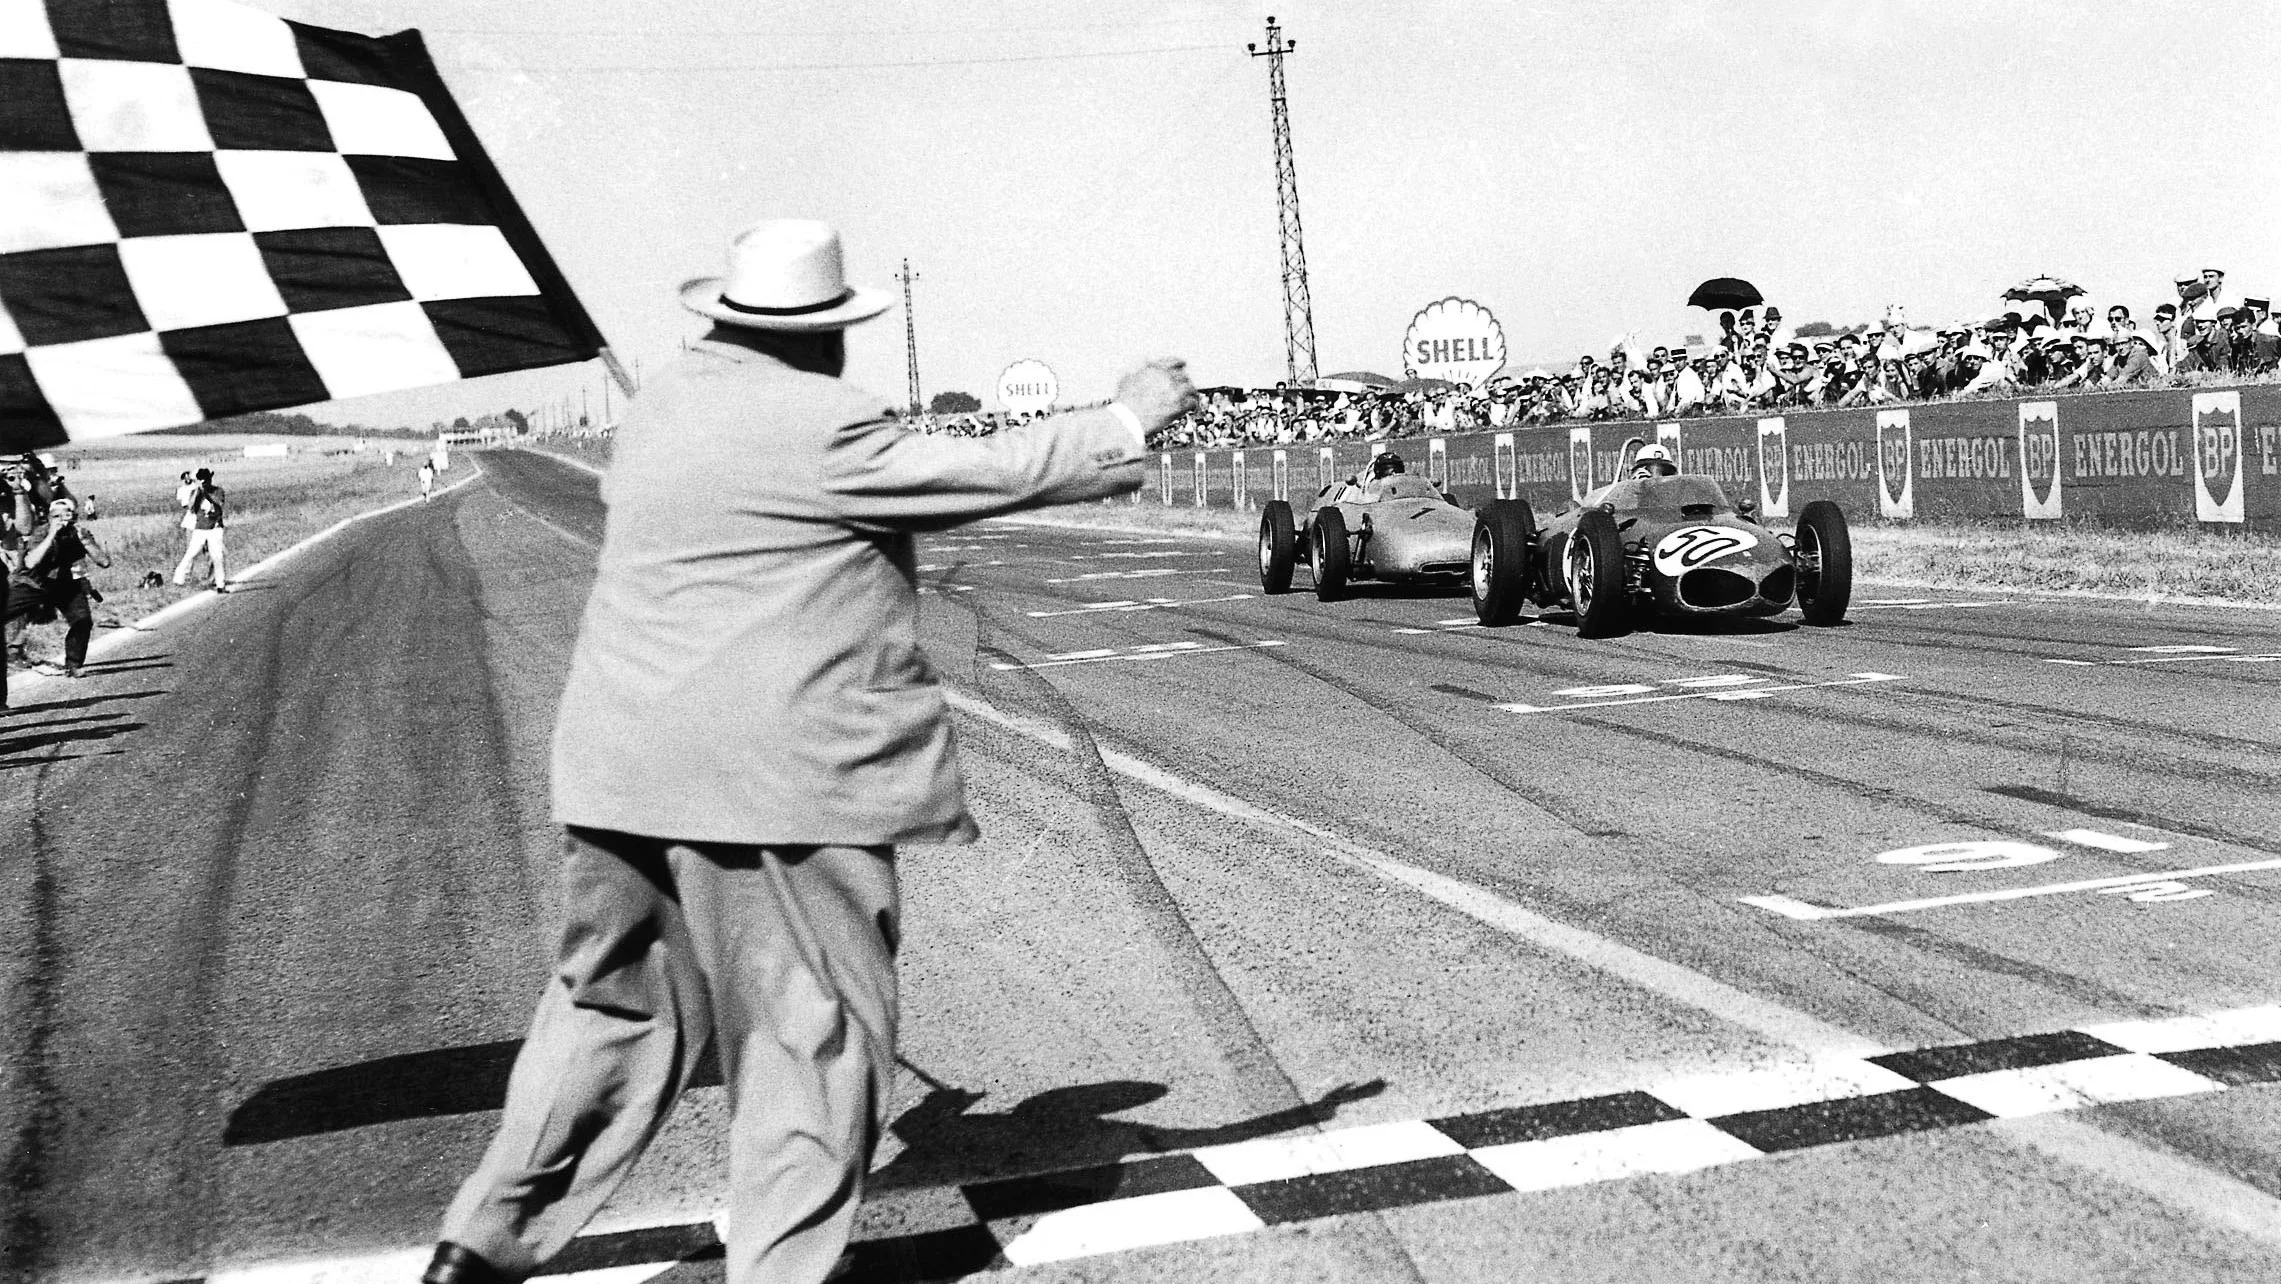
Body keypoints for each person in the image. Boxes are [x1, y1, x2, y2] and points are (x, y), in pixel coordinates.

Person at [422, 219, 1195, 1284]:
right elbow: (984, 470)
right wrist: (1124, 417)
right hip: (774, 786)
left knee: (606, 1013)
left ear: (727, 317)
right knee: (810, 1038)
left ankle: (481, 1241)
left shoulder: (659, 413)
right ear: (822, 334)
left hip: (615, 772)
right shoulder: (820, 424)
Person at [5, 496, 110, 680]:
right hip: (34, 584)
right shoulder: (41, 533)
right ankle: (12, 653)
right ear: (49, 518)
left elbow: (104, 562)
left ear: (73, 516)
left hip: (65, 585)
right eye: (56, 516)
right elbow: (30, 562)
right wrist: (52, 534)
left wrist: (84, 542)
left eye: (66, 514)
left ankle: (74, 664)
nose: (62, 519)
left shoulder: (80, 533)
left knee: (82, 620)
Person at [172, 468, 228, 592]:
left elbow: (219, 504)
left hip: (215, 527)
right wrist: (198, 492)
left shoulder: (218, 491)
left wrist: (207, 494)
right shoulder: (195, 492)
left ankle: (220, 584)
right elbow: (191, 508)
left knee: (217, 556)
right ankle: (179, 578)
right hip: (200, 528)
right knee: (191, 553)